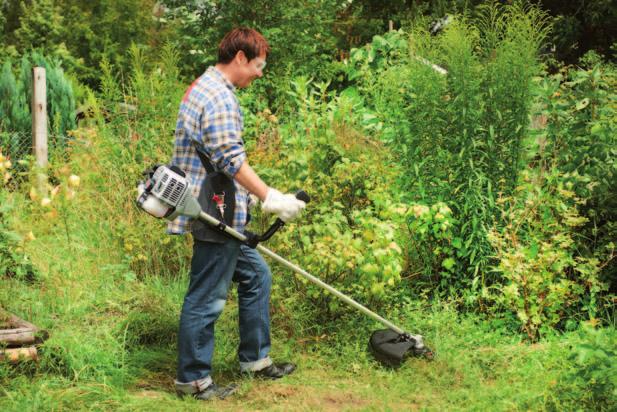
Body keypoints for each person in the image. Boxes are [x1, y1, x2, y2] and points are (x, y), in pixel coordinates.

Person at [167, 28, 306, 400]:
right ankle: (193, 381)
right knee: (207, 295)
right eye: (258, 65)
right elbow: (230, 158)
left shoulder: (207, 87)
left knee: (256, 275)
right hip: (214, 210)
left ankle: (255, 361)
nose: (260, 73)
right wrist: (270, 196)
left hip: (219, 208)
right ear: (240, 58)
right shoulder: (218, 97)